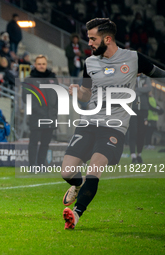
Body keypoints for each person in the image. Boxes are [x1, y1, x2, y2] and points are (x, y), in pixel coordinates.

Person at [61, 18, 165, 230]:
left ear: (107, 39)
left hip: (114, 126)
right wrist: (76, 92)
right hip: (88, 122)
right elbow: (86, 94)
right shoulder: (89, 63)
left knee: (95, 167)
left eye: (92, 38)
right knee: (67, 172)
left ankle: (76, 214)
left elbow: (161, 73)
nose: (88, 43)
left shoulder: (134, 58)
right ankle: (76, 184)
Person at [22, 55, 58, 166]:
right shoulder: (29, 79)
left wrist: (55, 111)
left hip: (50, 116)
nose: (41, 66)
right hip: (36, 116)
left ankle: (41, 165)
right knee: (34, 142)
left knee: (45, 143)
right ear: (35, 65)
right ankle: (32, 166)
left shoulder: (53, 78)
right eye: (39, 64)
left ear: (46, 65)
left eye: (43, 64)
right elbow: (26, 97)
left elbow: (57, 96)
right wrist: (37, 110)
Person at [128, 76, 151, 164]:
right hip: (132, 109)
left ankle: (139, 154)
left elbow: (148, 88)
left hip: (143, 109)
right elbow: (129, 89)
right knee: (133, 132)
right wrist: (141, 89)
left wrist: (136, 90)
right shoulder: (131, 77)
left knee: (141, 133)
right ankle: (133, 155)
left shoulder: (146, 78)